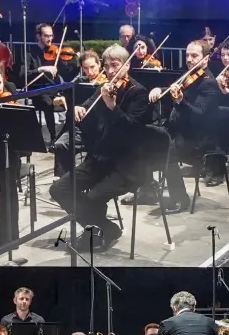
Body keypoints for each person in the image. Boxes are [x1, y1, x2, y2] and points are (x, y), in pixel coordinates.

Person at [49, 45, 153, 251]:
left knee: (93, 196)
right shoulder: (103, 87)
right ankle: (104, 228)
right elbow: (87, 106)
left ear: (127, 65)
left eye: (115, 65)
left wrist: (113, 106)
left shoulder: (138, 93)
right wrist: (79, 108)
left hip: (126, 165)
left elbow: (130, 129)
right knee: (59, 189)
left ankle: (96, 231)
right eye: (107, 66)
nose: (111, 70)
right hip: (98, 159)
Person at [149, 41, 227, 212]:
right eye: (187, 56)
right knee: (145, 140)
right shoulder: (190, 75)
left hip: (199, 137)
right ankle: (147, 190)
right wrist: (159, 89)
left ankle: (180, 200)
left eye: (194, 56)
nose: (189, 60)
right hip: (181, 131)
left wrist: (180, 101)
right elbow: (175, 90)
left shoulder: (209, 83)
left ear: (205, 59)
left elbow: (199, 115)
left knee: (167, 153)